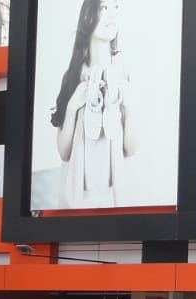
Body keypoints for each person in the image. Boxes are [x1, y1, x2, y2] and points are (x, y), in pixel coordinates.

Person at [51, 0, 138, 209]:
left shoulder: (124, 70)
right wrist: (72, 107)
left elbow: (131, 149)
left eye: (115, 7)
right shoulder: (73, 75)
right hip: (76, 202)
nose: (112, 14)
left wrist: (130, 107)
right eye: (104, 7)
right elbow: (63, 153)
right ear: (88, 15)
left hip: (115, 198)